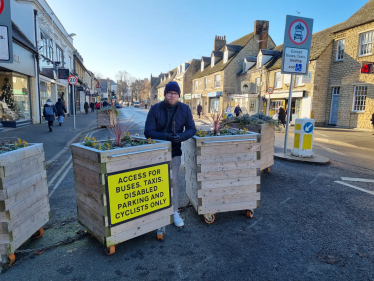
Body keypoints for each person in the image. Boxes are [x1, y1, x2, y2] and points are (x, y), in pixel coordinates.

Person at [144, 81, 196, 227]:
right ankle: (156, 212)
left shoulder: (185, 109)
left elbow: (192, 129)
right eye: (169, 93)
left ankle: (174, 211)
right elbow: (148, 132)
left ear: (178, 95)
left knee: (173, 181)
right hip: (156, 152)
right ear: (165, 94)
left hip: (174, 151)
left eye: (175, 93)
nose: (172, 95)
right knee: (156, 182)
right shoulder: (155, 109)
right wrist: (166, 137)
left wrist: (182, 136)